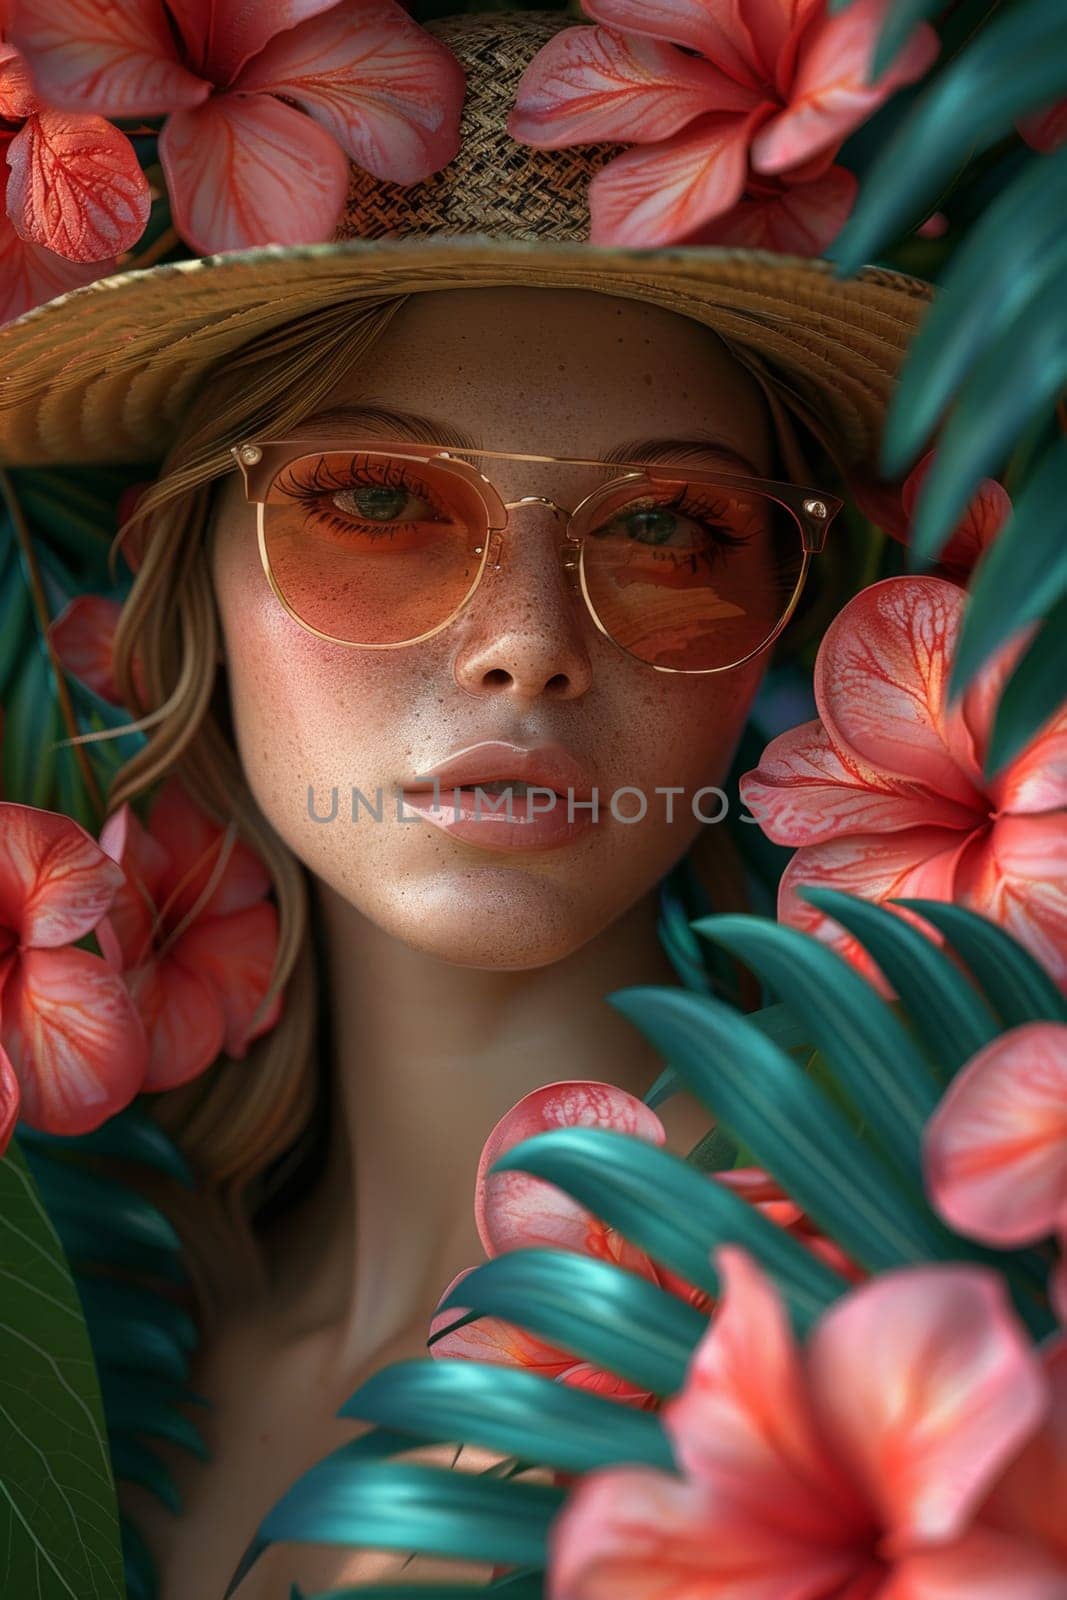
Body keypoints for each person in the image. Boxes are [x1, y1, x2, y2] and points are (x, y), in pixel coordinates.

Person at [0, 11, 933, 1596]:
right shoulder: (107, 1344)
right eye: (376, 501)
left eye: (673, 528)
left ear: (794, 609)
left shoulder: (900, 1309)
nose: (526, 645)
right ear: (186, 565)